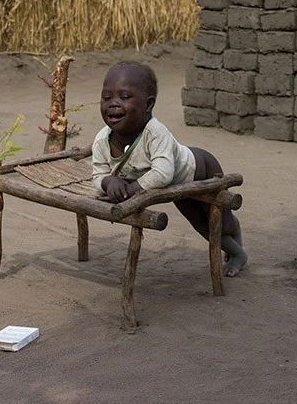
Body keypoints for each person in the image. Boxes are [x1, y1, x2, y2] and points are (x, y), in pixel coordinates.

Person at [91, 61, 248, 277]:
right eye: (106, 97)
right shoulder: (102, 139)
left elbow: (163, 173)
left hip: (200, 167)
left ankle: (237, 250)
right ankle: (236, 250)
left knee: (222, 220)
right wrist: (109, 181)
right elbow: (98, 174)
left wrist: (131, 188)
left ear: (148, 104)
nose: (113, 104)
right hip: (176, 184)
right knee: (200, 224)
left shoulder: (155, 133)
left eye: (124, 97)